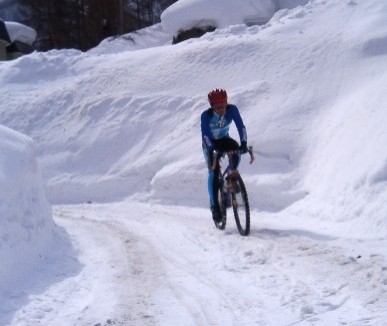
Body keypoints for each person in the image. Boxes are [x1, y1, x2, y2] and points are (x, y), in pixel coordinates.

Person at [201, 88, 248, 223]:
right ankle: (215, 206)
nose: (222, 109)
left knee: (237, 153)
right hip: (209, 143)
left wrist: (243, 143)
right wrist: (212, 149)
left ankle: (230, 181)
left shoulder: (232, 110)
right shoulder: (206, 116)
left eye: (224, 105)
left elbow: (241, 127)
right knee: (214, 173)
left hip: (224, 139)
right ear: (212, 106)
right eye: (218, 107)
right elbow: (205, 135)